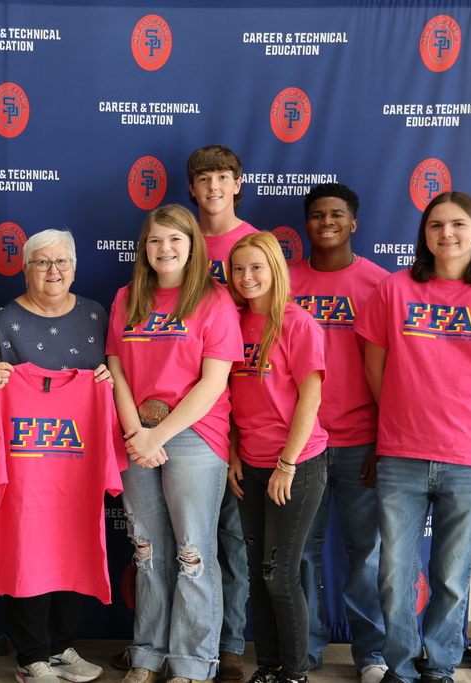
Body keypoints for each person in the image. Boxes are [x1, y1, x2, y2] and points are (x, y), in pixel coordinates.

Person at [356, 192, 471, 683]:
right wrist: (402, 416)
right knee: (394, 572)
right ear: (424, 234)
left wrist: (470, 424)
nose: (445, 234)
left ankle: (441, 666)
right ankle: (401, 666)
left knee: (452, 574)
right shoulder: (394, 289)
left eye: (457, 224)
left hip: (467, 458)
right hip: (401, 454)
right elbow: (374, 366)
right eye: (435, 225)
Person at [107, 205, 243, 683]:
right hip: (136, 434)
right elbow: (115, 368)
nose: (164, 248)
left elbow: (213, 383)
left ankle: (192, 662)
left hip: (195, 435)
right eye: (154, 240)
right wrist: (136, 434)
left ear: (192, 246)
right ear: (143, 248)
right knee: (146, 549)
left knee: (192, 551)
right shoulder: (127, 297)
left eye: (174, 239)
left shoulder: (214, 299)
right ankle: (147, 655)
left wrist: (156, 436)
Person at [0, 229, 110, 683]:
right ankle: (32, 656)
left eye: (62, 262)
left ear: (75, 267)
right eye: (42, 262)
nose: (53, 271)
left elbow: (118, 376)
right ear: (25, 269)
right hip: (24, 466)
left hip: (77, 463)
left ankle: (62, 647)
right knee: (28, 551)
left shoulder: (95, 315)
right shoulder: (5, 321)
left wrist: (109, 381)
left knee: (75, 545)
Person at [290, 184, 388, 683]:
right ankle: (304, 651)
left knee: (366, 553)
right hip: (300, 442)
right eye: (316, 215)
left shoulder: (380, 284)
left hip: (360, 440)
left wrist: (384, 440)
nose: (325, 222)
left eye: (336, 214)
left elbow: (395, 372)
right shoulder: (283, 281)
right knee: (301, 553)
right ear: (305, 224)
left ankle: (372, 654)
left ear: (353, 223)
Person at [227, 232, 327, 683]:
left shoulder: (298, 324)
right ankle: (268, 667)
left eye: (256, 267)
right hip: (250, 465)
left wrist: (287, 463)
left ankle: (295, 673)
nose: (246, 277)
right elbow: (227, 396)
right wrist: (234, 453)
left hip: (296, 465)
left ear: (275, 270)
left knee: (279, 575)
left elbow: (311, 397)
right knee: (257, 572)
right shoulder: (232, 322)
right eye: (238, 269)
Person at [186, 145, 258, 683]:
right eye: (204, 178)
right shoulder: (178, 240)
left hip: (243, 404)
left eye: (223, 177)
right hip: (186, 411)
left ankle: (229, 645)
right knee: (183, 541)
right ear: (192, 188)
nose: (214, 187)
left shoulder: (253, 244)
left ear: (237, 184)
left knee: (231, 538)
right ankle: (177, 643)